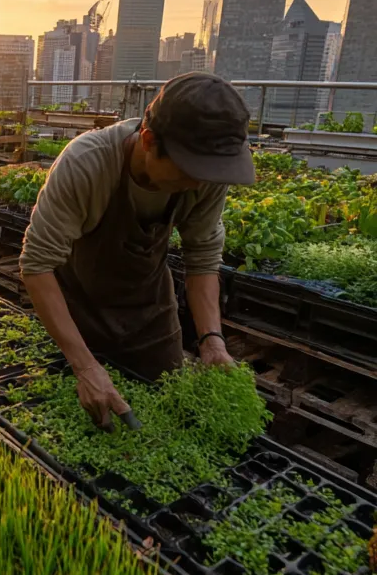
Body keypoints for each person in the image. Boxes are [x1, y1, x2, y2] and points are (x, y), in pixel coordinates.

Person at [20, 72, 253, 431]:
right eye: (187, 171)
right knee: (69, 425)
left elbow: (203, 256)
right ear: (148, 141)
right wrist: (84, 366)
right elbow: (37, 264)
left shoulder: (205, 177)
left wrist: (212, 341)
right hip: (77, 313)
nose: (197, 183)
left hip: (149, 316)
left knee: (164, 421)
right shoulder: (88, 163)